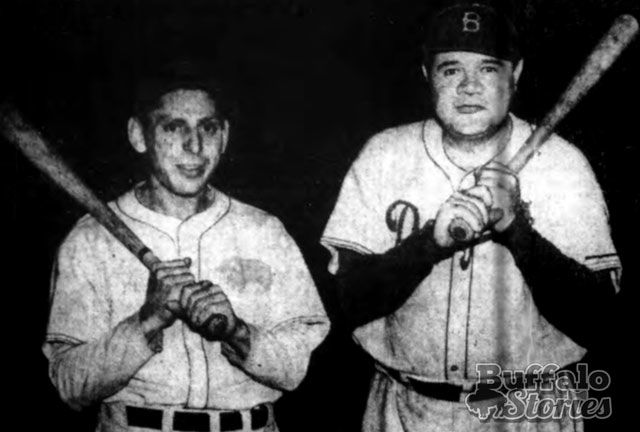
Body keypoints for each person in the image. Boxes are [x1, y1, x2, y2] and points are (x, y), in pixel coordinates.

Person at [321, 1, 621, 431]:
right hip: (407, 409)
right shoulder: (385, 155)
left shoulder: (563, 164)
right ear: (428, 76)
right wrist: (429, 245)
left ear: (514, 75)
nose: (468, 87)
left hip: (528, 408)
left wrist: (516, 231)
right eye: (450, 70)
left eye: (487, 69)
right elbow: (348, 302)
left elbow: (600, 321)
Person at [43, 60, 330, 432]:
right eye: (174, 126)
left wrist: (237, 333)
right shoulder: (90, 240)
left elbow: (294, 371)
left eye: (207, 128)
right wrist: (147, 321)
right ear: (139, 135)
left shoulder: (264, 232)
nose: (194, 146)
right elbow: (68, 385)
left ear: (224, 136)